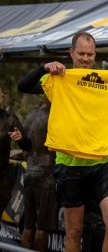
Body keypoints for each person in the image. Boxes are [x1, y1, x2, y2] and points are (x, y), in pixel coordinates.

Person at [18, 31, 108, 252]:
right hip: (70, 165)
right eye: (81, 54)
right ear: (71, 53)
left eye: (90, 54)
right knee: (74, 232)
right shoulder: (60, 78)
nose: (86, 58)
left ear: (95, 55)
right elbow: (23, 86)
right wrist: (44, 67)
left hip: (102, 162)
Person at [21, 99, 56, 252]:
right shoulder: (54, 114)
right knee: (42, 227)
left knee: (29, 223)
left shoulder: (30, 115)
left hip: (29, 172)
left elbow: (24, 146)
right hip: (46, 174)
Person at [0, 86, 31, 216]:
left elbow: (27, 146)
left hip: (1, 179)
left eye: (1, 94)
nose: (1, 97)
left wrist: (21, 138)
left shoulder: (9, 118)